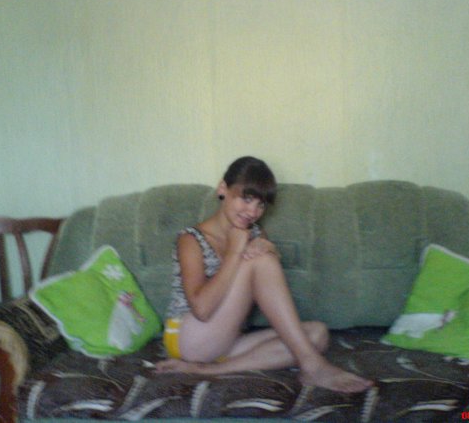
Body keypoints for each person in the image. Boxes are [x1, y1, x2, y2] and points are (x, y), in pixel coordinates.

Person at [155, 156, 372, 393]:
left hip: (226, 341)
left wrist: (271, 249)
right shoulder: (191, 239)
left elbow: (265, 286)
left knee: (317, 334)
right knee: (262, 261)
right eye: (246, 198)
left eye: (261, 204)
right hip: (187, 339)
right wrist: (235, 252)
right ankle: (313, 367)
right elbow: (202, 310)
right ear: (223, 189)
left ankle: (207, 370)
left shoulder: (255, 233)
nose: (253, 211)